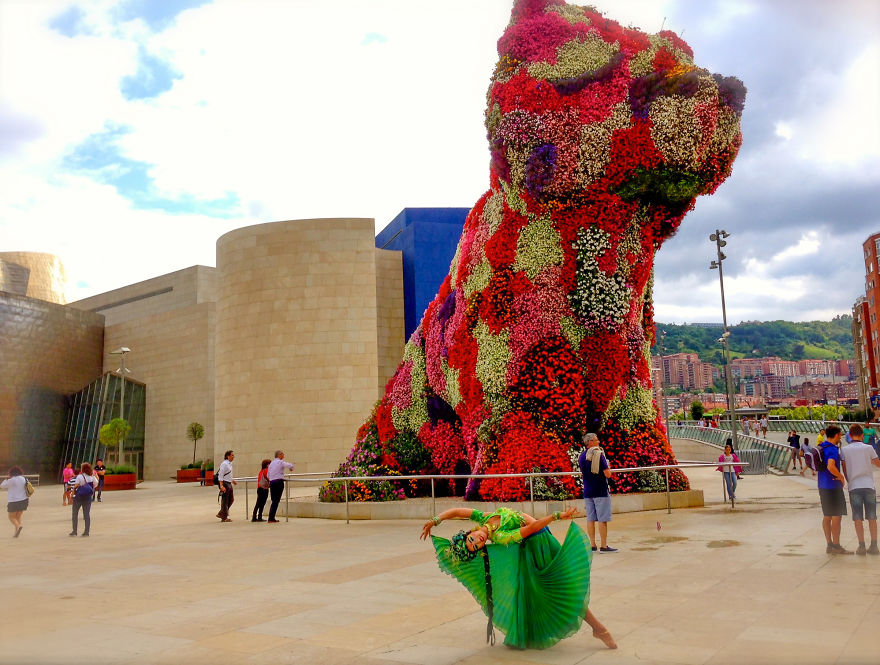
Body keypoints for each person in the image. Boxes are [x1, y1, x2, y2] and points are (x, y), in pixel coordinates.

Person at [420, 506, 616, 650]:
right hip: (538, 543)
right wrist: (555, 516)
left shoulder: (485, 517)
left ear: (471, 532)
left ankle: (597, 628)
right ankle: (599, 628)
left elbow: (457, 511)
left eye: (472, 540)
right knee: (565, 588)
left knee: (566, 586)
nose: (478, 542)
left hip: (542, 535)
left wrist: (436, 520)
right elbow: (529, 530)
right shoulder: (501, 537)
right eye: (476, 547)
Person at [839, 424, 880, 555]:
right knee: (872, 517)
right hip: (868, 485)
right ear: (862, 435)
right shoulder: (868, 448)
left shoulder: (844, 450)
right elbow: (877, 463)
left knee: (857, 518)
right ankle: (874, 546)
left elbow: (844, 469)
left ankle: (861, 546)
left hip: (854, 486)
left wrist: (849, 480)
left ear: (850, 435)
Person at [577, 433, 617, 552]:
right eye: (596, 440)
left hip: (588, 491)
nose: (598, 442)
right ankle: (604, 545)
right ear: (590, 442)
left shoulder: (581, 456)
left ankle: (592, 544)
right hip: (600, 491)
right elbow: (607, 473)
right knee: (602, 519)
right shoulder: (599, 454)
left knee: (590, 518)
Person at [817, 425, 851, 554]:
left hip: (822, 485)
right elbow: (831, 466)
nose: (841, 436)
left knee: (827, 516)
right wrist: (841, 477)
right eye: (840, 434)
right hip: (833, 487)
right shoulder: (832, 449)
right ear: (836, 435)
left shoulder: (823, 446)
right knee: (837, 516)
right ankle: (836, 545)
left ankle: (829, 544)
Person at [266, 450, 294, 524]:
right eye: (282, 454)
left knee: (274, 500)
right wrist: (291, 468)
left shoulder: (271, 464)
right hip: (278, 482)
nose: (283, 455)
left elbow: (268, 475)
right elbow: (289, 465)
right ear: (279, 455)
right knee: (276, 500)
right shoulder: (280, 462)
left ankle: (271, 517)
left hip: (272, 482)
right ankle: (271, 518)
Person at [70, 462, 98, 537]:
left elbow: (76, 486)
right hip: (88, 497)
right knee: (86, 514)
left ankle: (75, 531)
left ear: (83, 469)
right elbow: (95, 484)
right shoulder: (92, 477)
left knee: (75, 513)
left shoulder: (79, 476)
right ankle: (86, 531)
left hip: (79, 497)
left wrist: (72, 494)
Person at [2, 466, 29, 538]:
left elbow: (2, 486)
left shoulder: (12, 480)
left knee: (11, 517)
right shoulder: (24, 478)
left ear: (11, 473)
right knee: (18, 516)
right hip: (24, 500)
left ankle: (18, 526)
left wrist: (6, 479)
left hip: (14, 501)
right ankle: (16, 531)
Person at [216, 450, 236, 522]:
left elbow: (228, 474)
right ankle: (224, 517)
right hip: (224, 483)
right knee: (225, 500)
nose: (233, 456)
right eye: (232, 455)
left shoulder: (230, 463)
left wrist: (232, 480)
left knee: (231, 499)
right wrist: (221, 486)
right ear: (228, 456)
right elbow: (221, 475)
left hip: (229, 483)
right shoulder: (224, 464)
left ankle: (221, 513)